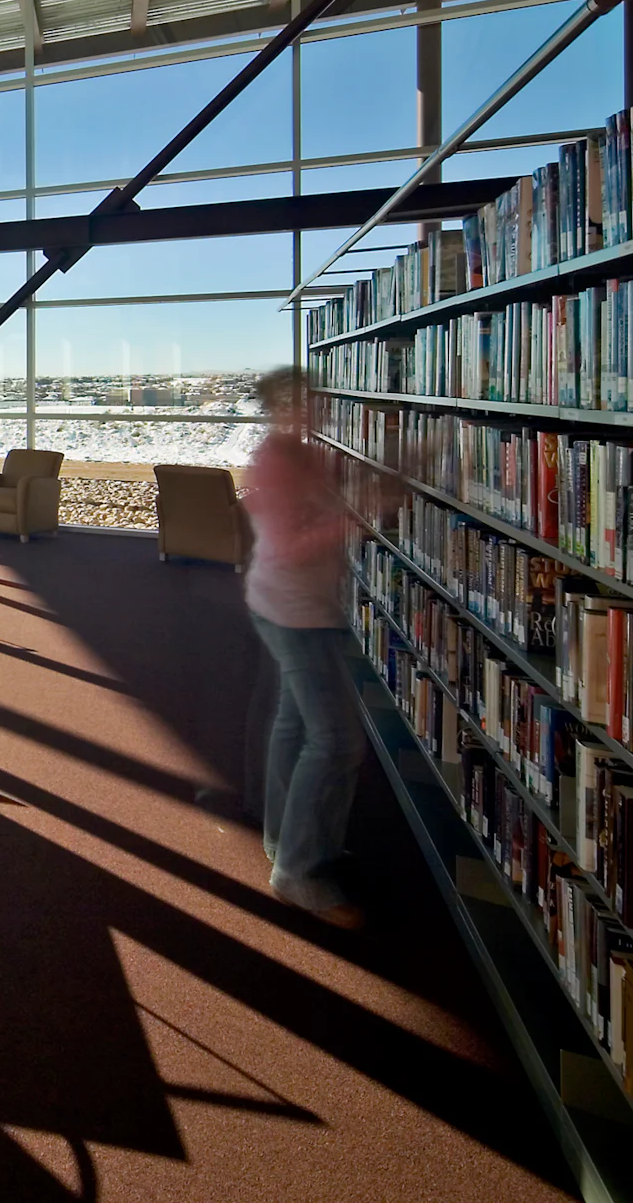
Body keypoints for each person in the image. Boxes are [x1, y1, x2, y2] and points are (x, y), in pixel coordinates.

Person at [243, 366, 365, 929]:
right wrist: (356, 520)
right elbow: (291, 546)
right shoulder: (274, 462)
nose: (309, 407)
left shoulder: (305, 454)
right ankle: (298, 868)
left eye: (311, 397)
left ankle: (285, 838)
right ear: (275, 407)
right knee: (336, 739)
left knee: (295, 725)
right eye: (296, 400)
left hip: (301, 606)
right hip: (292, 610)